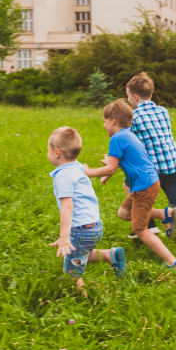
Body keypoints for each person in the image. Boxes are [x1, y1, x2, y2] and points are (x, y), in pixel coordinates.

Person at [84, 99, 176, 269]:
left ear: (113, 120)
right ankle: (163, 214)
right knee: (123, 213)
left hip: (144, 186)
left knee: (139, 229)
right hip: (148, 182)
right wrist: (109, 166)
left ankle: (172, 261)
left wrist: (87, 171)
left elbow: (110, 169)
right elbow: (128, 161)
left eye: (104, 121)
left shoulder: (116, 139)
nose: (104, 125)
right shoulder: (128, 134)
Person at [124, 72, 176, 250]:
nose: (128, 100)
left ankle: (148, 224)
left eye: (127, 97)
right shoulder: (163, 111)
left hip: (153, 172)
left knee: (129, 185)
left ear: (134, 96)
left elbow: (130, 143)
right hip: (175, 166)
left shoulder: (135, 118)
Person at [45, 127, 126, 297]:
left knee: (71, 273)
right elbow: (85, 170)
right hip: (95, 227)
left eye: (48, 150)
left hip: (80, 230)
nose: (48, 153)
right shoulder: (78, 167)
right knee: (80, 254)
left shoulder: (63, 176)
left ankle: (85, 301)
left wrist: (64, 237)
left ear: (57, 152)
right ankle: (109, 255)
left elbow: (67, 207)